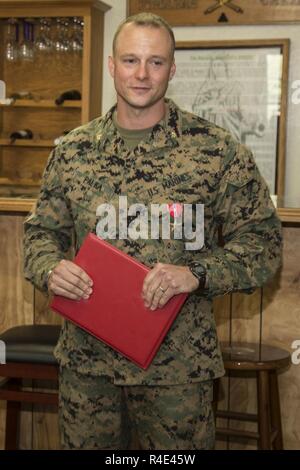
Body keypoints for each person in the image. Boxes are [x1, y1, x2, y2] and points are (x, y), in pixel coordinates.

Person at [23, 13, 282, 450]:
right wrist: (50, 269)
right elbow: (38, 236)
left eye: (156, 62)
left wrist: (196, 273)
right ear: (111, 66)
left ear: (172, 69)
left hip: (177, 373)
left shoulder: (217, 151)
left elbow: (264, 246)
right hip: (89, 370)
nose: (142, 74)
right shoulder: (72, 151)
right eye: (130, 60)